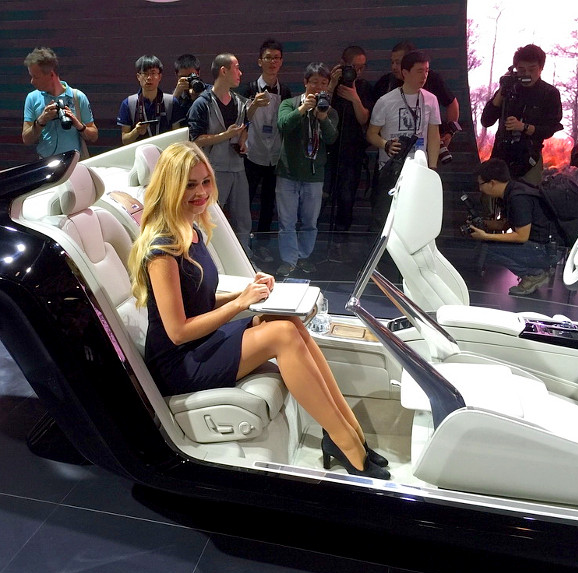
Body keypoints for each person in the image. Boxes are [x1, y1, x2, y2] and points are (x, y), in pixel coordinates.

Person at [128, 141, 390, 480]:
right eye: (190, 185)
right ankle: (346, 444)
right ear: (171, 187)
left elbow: (199, 302)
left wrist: (247, 294)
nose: (201, 192)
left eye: (205, 182)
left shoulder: (191, 230)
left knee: (288, 322)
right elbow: (178, 331)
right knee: (282, 334)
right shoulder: (162, 250)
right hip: (179, 363)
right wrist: (240, 303)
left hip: (200, 344)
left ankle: (350, 432)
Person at [188, 53, 268, 258]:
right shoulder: (203, 103)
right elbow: (195, 140)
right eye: (236, 68)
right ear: (223, 71)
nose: (240, 73)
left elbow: (244, 125)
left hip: (238, 168)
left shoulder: (239, 102)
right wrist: (225, 135)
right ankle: (207, 260)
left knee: (243, 221)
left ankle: (245, 260)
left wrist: (242, 140)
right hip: (213, 171)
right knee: (209, 219)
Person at [275, 62, 339, 276]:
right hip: (288, 173)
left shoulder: (329, 110)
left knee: (310, 222)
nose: (318, 87)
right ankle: (289, 260)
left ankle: (303, 257)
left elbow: (332, 138)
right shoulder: (289, 103)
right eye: (314, 82)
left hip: (314, 176)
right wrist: (302, 110)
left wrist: (323, 118)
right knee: (287, 221)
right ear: (305, 82)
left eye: (323, 83)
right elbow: (283, 125)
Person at [367, 50, 441, 231]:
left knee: (414, 217)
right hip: (391, 167)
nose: (424, 76)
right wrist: (385, 144)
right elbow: (371, 134)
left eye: (426, 71)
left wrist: (432, 167)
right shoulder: (386, 101)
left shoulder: (431, 99)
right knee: (386, 216)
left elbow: (434, 134)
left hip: (418, 166)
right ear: (405, 72)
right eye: (419, 71)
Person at [468, 158, 558, 296]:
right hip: (542, 246)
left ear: (492, 183)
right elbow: (506, 224)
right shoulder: (513, 190)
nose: (480, 189)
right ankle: (535, 271)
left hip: (544, 250)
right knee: (488, 245)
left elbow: (521, 236)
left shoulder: (518, 198)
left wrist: (486, 236)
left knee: (488, 248)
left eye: (481, 184)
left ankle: (534, 274)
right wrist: (482, 223)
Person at [239, 39, 292, 263]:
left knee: (269, 204)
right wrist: (253, 105)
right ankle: (242, 246)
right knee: (245, 201)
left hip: (275, 156)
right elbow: (240, 120)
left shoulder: (285, 91)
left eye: (276, 58)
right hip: (252, 153)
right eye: (268, 58)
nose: (273, 62)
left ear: (281, 62)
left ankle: (263, 246)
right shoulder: (249, 89)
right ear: (260, 61)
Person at [481, 44, 563, 184]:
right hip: (500, 157)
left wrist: (523, 127)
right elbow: (486, 121)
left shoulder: (549, 93)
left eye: (532, 69)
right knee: (493, 194)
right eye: (521, 70)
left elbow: (549, 129)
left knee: (527, 194)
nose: (526, 74)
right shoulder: (509, 89)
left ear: (541, 68)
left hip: (529, 158)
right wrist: (502, 91)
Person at [324, 46, 373, 261]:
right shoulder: (330, 83)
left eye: (362, 67)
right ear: (343, 64)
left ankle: (339, 243)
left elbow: (364, 119)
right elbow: (321, 109)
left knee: (346, 198)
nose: (357, 72)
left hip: (352, 152)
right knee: (322, 196)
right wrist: (332, 84)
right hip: (329, 150)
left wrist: (354, 98)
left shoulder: (364, 87)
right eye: (354, 67)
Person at [373, 41, 460, 158]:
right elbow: (372, 129)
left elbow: (452, 103)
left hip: (423, 150)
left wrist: (449, 133)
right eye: (392, 62)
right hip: (392, 154)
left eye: (398, 62)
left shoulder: (431, 80)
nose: (394, 67)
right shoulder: (385, 83)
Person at [22, 46, 98, 159]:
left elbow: (94, 136)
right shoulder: (32, 98)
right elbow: (26, 139)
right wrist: (41, 121)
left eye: (35, 77)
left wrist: (78, 125)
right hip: (46, 162)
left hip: (74, 162)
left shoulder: (77, 97)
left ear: (51, 74)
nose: (32, 81)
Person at [117, 55, 186, 146]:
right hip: (139, 153)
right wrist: (136, 131)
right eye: (145, 73)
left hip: (165, 153)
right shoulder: (128, 104)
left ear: (159, 76)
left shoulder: (171, 102)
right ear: (138, 77)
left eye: (153, 73)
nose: (149, 78)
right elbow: (125, 141)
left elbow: (177, 137)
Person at [173, 53, 207, 122]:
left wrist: (200, 97)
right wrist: (176, 96)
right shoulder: (176, 97)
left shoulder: (208, 91)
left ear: (198, 73)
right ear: (176, 75)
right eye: (183, 77)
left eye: (191, 76)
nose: (188, 80)